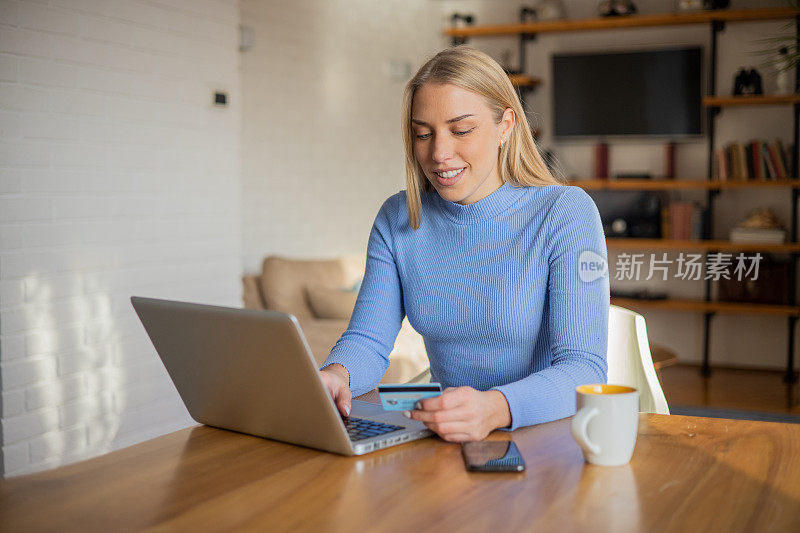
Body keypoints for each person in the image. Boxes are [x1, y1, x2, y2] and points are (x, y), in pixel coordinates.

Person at [319, 46, 609, 442]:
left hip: (537, 431)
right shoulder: (398, 217)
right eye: (423, 133)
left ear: (505, 125)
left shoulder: (565, 213)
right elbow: (367, 341)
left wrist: (495, 407)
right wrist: (338, 374)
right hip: (445, 432)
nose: (439, 154)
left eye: (461, 130)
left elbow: (584, 369)